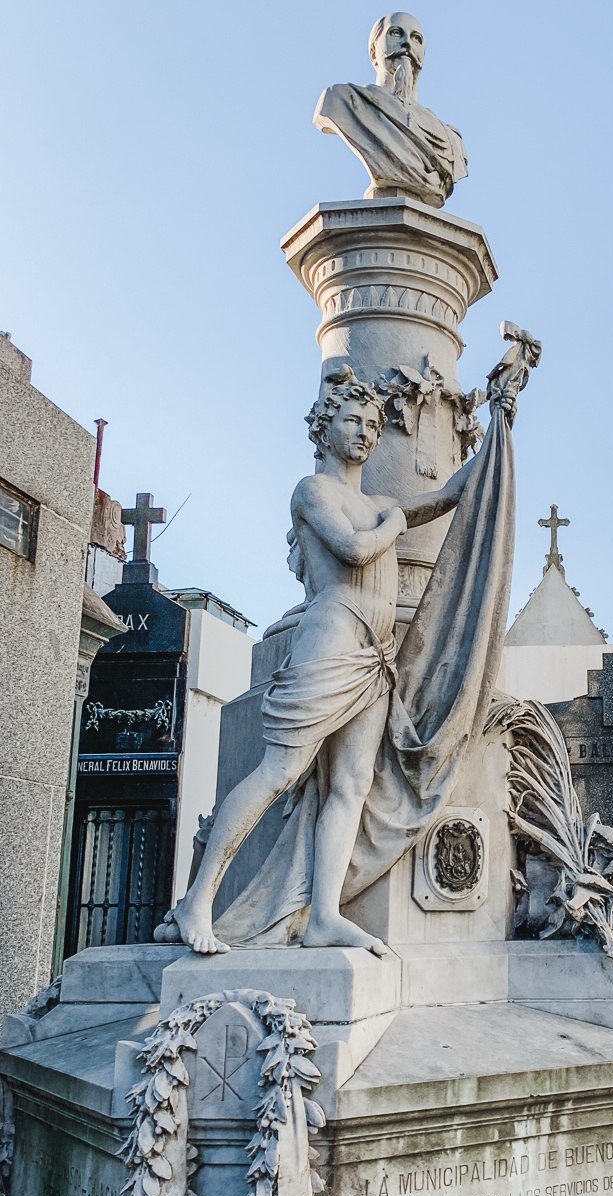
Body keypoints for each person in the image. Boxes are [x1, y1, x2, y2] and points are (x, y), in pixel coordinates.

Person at [157, 369, 472, 955]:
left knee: (351, 784)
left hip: (376, 656)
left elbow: (443, 498)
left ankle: (324, 914)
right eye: (352, 421)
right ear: (324, 428)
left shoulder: (378, 502)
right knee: (279, 771)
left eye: (374, 424)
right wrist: (396, 522)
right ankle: (198, 901)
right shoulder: (314, 491)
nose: (365, 433)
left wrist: (498, 433)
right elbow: (354, 550)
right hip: (331, 636)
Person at [314, 12, 467, 205]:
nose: (407, 44)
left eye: (416, 38)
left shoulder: (451, 140)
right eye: (396, 33)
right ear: (373, 53)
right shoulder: (343, 99)